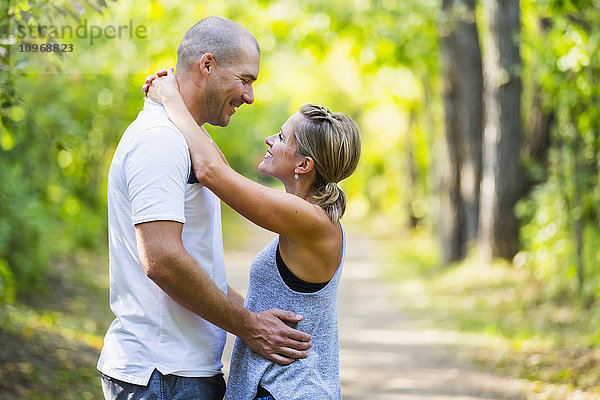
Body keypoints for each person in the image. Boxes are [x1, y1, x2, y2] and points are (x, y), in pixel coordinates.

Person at [97, 16, 312, 400]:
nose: (250, 96)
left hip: (181, 372)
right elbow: (161, 258)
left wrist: (257, 319)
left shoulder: (182, 138)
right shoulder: (160, 141)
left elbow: (197, 264)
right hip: (162, 375)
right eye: (245, 80)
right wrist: (247, 325)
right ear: (208, 65)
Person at [145, 67, 361, 399]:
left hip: (285, 392)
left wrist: (171, 98)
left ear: (303, 165)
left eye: (282, 136)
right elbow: (221, 169)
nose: (270, 140)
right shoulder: (311, 216)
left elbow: (211, 172)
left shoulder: (310, 220)